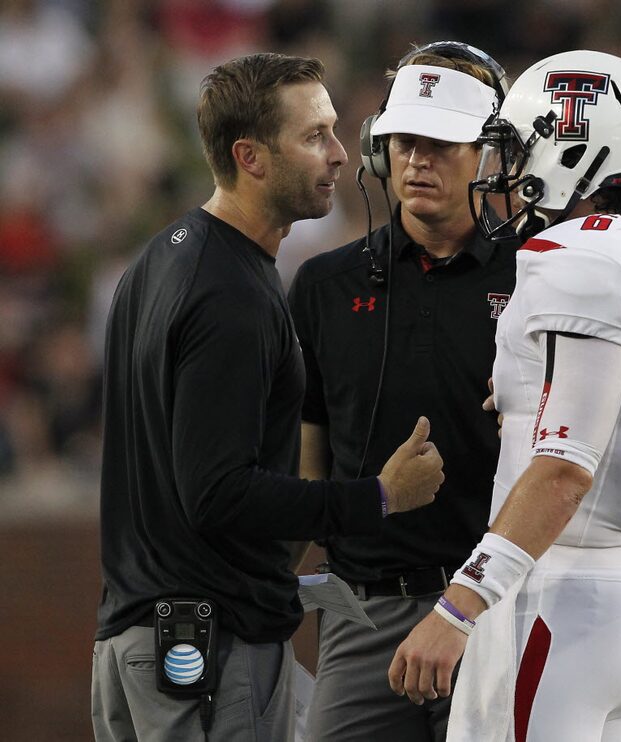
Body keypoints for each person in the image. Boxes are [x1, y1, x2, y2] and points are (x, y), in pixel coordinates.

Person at [388, 49, 621, 741]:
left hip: (558, 602)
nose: (506, 174)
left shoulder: (580, 258)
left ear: (572, 151)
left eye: (518, 150)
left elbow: (562, 472)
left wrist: (459, 608)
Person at [90, 52, 445, 742]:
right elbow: (217, 491)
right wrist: (377, 496)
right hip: (205, 649)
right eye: (313, 136)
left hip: (140, 640)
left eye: (335, 130)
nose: (341, 155)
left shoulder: (162, 258)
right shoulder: (230, 295)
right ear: (249, 156)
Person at [288, 42, 519, 741]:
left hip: (496, 603)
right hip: (365, 612)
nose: (418, 159)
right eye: (404, 141)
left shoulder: (541, 277)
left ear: (488, 154)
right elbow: (308, 462)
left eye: (441, 143)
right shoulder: (325, 286)